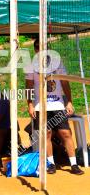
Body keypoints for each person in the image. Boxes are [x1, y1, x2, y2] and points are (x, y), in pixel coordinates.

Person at [25, 38, 83, 175]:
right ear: (35, 49)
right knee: (46, 134)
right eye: (39, 47)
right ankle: (51, 163)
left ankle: (74, 164)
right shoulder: (31, 65)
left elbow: (64, 83)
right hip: (40, 106)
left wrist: (69, 101)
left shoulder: (57, 62)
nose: (41, 50)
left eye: (44, 47)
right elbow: (28, 86)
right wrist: (30, 105)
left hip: (57, 104)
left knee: (66, 133)